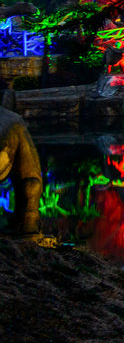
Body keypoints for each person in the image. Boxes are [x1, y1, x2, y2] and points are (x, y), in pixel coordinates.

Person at [0, 92, 49, 244]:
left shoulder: (11, 120)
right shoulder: (13, 121)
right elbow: (30, 178)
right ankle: (28, 222)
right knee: (29, 175)